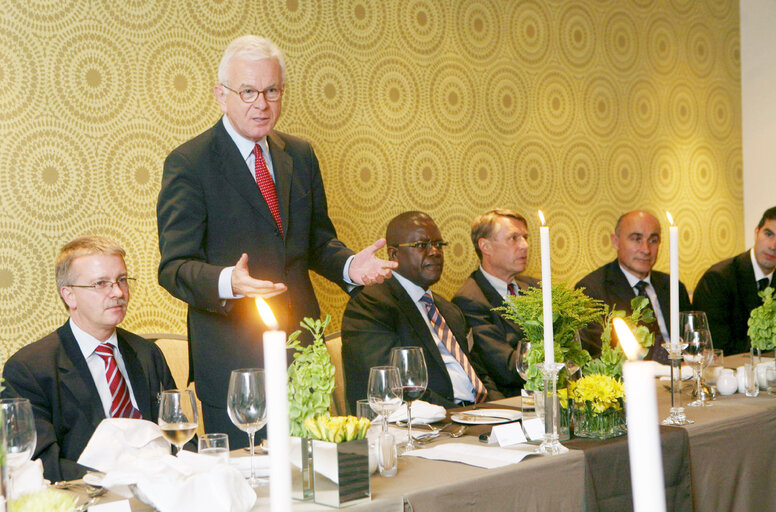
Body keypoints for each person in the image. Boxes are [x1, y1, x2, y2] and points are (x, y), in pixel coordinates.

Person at [156, 35, 394, 443]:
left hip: (303, 351)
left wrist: (350, 265)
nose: (261, 104)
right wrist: (229, 281)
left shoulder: (299, 155)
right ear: (221, 95)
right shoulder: (190, 163)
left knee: (314, 483)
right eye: (248, 91)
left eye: (271, 91)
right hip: (235, 362)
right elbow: (174, 267)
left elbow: (318, 240)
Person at [1, 237, 177, 482]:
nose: (118, 292)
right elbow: (38, 463)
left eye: (122, 280)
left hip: (164, 491)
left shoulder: (147, 353)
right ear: (69, 295)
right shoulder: (29, 369)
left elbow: (178, 434)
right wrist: (120, 479)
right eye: (101, 283)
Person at [341, 211, 501, 411]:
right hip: (428, 423)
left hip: (477, 416)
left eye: (438, 244)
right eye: (421, 245)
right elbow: (395, 387)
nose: (435, 252)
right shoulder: (371, 305)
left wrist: (500, 407)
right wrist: (459, 414)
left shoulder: (448, 309)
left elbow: (479, 372)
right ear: (393, 254)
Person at [575, 210, 691, 361]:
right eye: (636, 239)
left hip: (683, 376)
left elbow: (692, 340)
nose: (646, 249)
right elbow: (598, 357)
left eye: (653, 240)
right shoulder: (592, 291)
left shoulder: (673, 286)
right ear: (615, 241)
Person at [452, 209, 538, 398]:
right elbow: (508, 368)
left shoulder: (534, 287)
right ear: (486, 246)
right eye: (514, 238)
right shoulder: (470, 300)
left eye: (525, 237)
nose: (525, 245)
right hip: (513, 402)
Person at [693, 207, 776, 355]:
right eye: (768, 234)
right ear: (756, 232)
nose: (773, 246)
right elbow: (718, 348)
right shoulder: (718, 280)